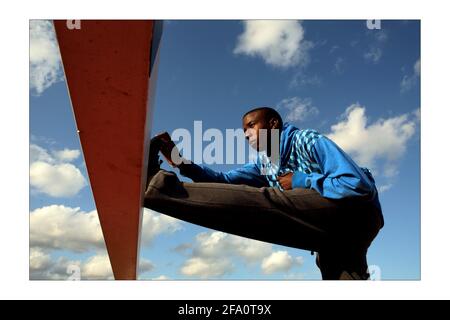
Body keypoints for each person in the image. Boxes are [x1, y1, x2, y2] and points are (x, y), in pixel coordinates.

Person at [144, 107, 384, 280]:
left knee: (269, 201)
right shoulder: (265, 163)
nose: (246, 134)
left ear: (272, 124)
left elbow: (357, 185)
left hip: (358, 213)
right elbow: (223, 181)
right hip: (339, 238)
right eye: (243, 130)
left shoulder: (308, 140)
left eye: (251, 126)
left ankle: (156, 185)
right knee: (337, 272)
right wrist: (180, 161)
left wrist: (301, 179)